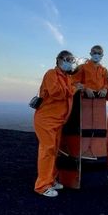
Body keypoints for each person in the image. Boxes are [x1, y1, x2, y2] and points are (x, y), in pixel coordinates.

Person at [34, 50, 84, 197]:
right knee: (47, 151)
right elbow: (57, 92)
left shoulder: (66, 77)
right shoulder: (51, 74)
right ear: (59, 60)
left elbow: (68, 88)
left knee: (54, 151)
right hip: (46, 120)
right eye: (67, 59)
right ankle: (42, 186)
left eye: (72, 59)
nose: (70, 62)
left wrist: (75, 86)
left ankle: (51, 180)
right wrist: (74, 89)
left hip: (57, 121)